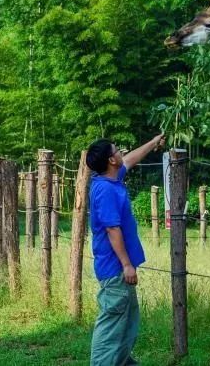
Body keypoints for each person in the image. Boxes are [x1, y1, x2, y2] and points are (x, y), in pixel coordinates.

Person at [86, 133, 165, 366]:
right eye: (117, 150)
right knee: (112, 325)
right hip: (115, 269)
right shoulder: (106, 191)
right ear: (111, 160)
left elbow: (130, 160)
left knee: (126, 324)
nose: (121, 153)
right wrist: (127, 264)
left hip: (118, 269)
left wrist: (152, 143)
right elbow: (112, 230)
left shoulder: (111, 179)